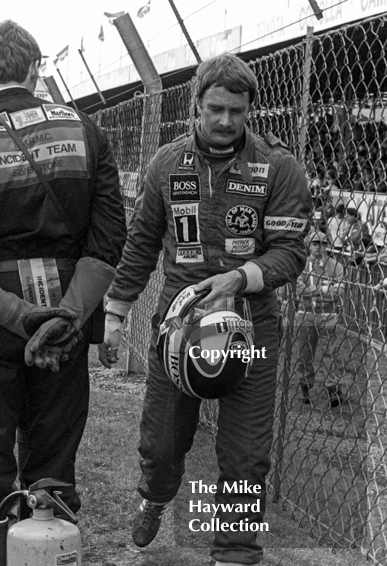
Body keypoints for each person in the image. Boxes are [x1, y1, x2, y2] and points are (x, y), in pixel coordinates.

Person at [0, 19, 125, 563]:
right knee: (54, 461)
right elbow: (109, 242)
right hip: (70, 306)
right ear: (37, 69)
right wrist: (65, 318)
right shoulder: (87, 131)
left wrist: (21, 319)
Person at [99, 54, 310, 565]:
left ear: (250, 110)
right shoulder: (167, 164)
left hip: (249, 328)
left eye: (237, 111)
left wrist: (240, 277)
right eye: (215, 109)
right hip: (179, 326)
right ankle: (155, 496)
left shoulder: (277, 166)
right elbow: (141, 244)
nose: (225, 121)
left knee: (246, 457)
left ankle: (233, 553)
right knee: (164, 443)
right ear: (195, 105)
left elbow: (290, 251)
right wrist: (114, 315)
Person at [294, 230, 352, 407]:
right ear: (309, 245)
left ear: (328, 245)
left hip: (328, 315)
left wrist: (314, 292)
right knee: (305, 354)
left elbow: (338, 292)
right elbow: (299, 290)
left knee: (330, 354)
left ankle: (332, 389)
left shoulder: (337, 266)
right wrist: (325, 291)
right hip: (306, 315)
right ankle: (305, 387)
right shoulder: (302, 265)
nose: (319, 247)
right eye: (315, 243)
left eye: (323, 243)